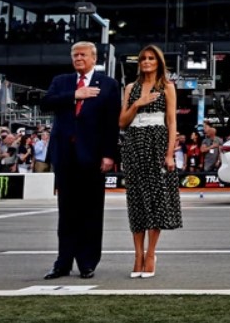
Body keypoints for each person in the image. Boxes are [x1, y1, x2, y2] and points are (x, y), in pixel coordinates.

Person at [41, 41, 121, 280]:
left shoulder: (108, 85)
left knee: (91, 211)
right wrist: (75, 95)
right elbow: (46, 103)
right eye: (75, 55)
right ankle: (62, 262)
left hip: (93, 156)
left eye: (83, 55)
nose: (78, 58)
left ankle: (87, 262)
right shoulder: (62, 81)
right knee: (66, 212)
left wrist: (109, 154)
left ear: (94, 58)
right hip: (65, 155)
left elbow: (111, 123)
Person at [119, 45, 183, 279]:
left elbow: (172, 122)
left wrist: (169, 154)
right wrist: (139, 102)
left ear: (159, 62)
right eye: (143, 58)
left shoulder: (167, 86)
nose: (146, 61)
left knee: (156, 201)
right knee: (136, 201)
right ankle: (137, 255)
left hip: (157, 144)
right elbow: (122, 123)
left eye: (151, 58)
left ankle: (150, 254)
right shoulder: (130, 88)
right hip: (134, 145)